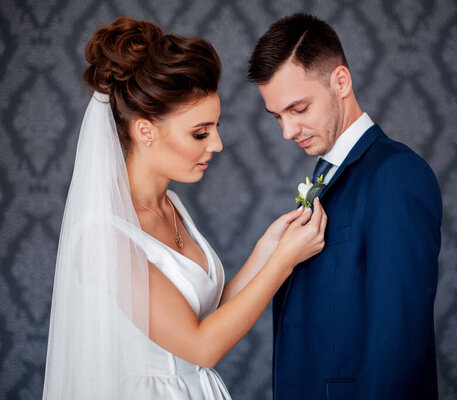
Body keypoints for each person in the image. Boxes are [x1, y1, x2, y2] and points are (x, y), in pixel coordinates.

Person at [42, 16, 327, 399]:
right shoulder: (104, 237)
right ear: (146, 131)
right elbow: (201, 346)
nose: (217, 145)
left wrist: (268, 248)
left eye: (215, 127)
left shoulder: (170, 205)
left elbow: (208, 314)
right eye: (200, 133)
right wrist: (283, 264)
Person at [248, 13, 442, 399]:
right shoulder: (327, 175)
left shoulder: (396, 174)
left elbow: (397, 337)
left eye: (298, 109)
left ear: (341, 81)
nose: (287, 131)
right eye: (277, 117)